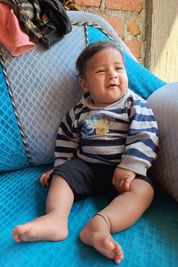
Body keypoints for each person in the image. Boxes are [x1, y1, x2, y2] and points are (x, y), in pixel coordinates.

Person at [12, 41, 158, 264]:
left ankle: (101, 225)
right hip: (87, 166)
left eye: (119, 68)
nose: (112, 75)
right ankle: (55, 219)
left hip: (123, 172)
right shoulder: (80, 111)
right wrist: (60, 167)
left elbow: (146, 136)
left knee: (144, 190)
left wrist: (130, 166)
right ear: (85, 84)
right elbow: (66, 139)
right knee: (61, 177)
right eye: (101, 71)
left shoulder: (134, 105)